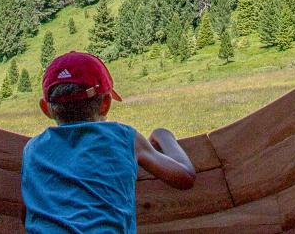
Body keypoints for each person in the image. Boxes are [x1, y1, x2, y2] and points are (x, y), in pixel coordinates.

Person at [21, 51, 196, 232]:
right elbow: (185, 177)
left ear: (45, 109)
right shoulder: (124, 138)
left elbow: (28, 210)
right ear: (106, 103)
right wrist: (163, 135)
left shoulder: (33, 149)